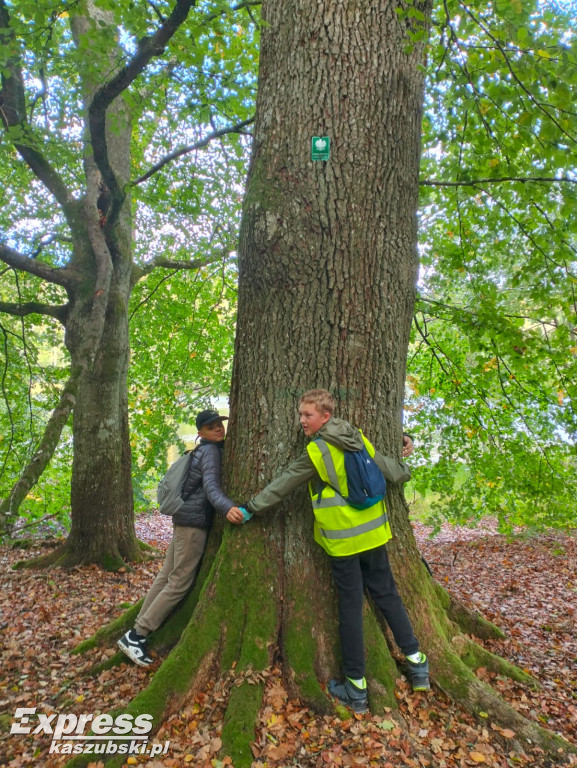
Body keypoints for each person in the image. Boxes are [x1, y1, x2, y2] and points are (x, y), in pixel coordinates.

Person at [228, 389, 429, 713]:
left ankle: (356, 689)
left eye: (307, 415)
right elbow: (386, 468)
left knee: (350, 609)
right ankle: (418, 666)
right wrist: (406, 467)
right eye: (301, 414)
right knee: (388, 596)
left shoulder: (317, 451)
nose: (301, 421)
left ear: (325, 416)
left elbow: (284, 484)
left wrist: (251, 508)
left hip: (343, 541)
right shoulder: (356, 435)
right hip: (375, 533)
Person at [118, 409, 242, 667]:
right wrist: (226, 507)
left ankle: (135, 631)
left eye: (219, 423)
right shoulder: (209, 451)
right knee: (179, 583)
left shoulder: (204, 449)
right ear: (200, 433)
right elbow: (210, 485)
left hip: (183, 520)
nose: (218, 428)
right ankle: (138, 634)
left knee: (166, 577)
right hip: (193, 526)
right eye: (211, 427)